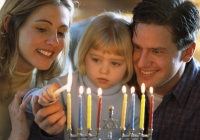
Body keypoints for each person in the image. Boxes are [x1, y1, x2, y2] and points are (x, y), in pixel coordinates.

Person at [24, 12, 141, 139]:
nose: (104, 70)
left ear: (128, 64)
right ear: (84, 54)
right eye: (96, 60)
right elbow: (29, 106)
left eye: (115, 63)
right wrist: (43, 95)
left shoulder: (131, 100)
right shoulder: (65, 86)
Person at [0, 0, 74, 140]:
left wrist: (49, 134)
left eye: (62, 33)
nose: (54, 42)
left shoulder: (52, 87)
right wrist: (17, 135)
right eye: (42, 29)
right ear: (9, 25)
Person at [128, 0, 200, 139]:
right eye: (137, 47)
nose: (142, 63)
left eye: (156, 51)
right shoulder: (115, 76)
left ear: (188, 52)